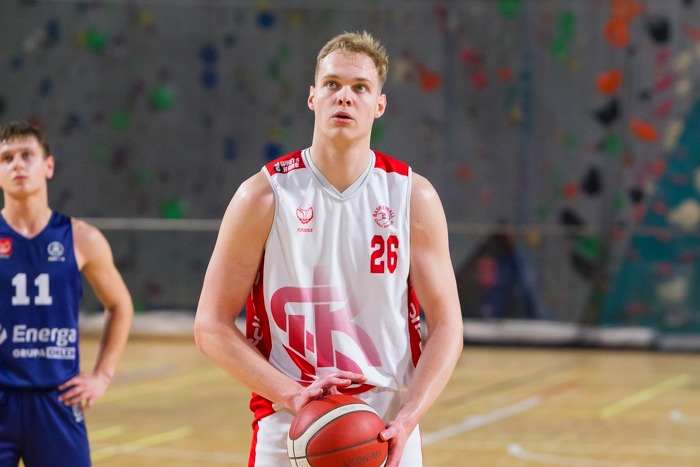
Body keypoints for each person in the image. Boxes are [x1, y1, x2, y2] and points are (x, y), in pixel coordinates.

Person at [194, 31, 463, 466]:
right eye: (332, 84)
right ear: (313, 97)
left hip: (387, 422)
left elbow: (448, 325)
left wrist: (409, 417)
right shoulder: (262, 196)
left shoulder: (413, 197)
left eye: (361, 88)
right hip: (291, 416)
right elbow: (210, 326)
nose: (344, 97)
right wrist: (292, 394)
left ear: (379, 105)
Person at [0, 120, 133, 466]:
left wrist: (102, 376)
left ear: (48, 166)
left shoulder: (81, 238)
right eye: (6, 158)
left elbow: (120, 305)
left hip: (56, 400)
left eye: (26, 155)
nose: (16, 165)